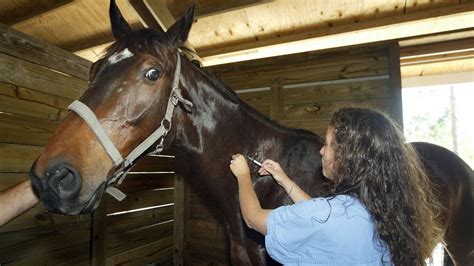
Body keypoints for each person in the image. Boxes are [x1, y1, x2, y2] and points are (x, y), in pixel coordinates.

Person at [229, 108, 442, 265]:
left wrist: (243, 175)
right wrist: (284, 179)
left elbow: (253, 218)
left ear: (348, 157)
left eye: (329, 145)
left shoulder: (329, 214)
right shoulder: (379, 208)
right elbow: (318, 216)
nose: (321, 151)